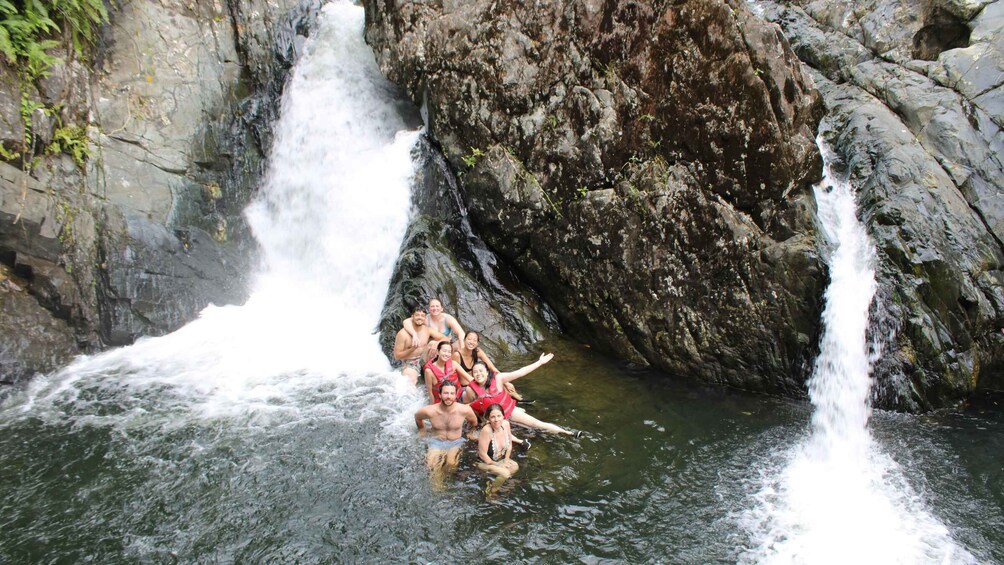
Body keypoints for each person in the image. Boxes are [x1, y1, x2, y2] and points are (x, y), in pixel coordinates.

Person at [463, 354, 577, 436]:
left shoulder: (498, 378)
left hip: (510, 412)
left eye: (481, 371)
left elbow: (520, 372)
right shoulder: (470, 389)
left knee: (535, 423)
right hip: (492, 419)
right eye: (475, 372)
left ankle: (568, 433)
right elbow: (468, 407)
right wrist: (479, 423)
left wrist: (539, 362)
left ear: (487, 372)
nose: (478, 374)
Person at [414, 380, 478, 489]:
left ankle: (446, 483)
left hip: (455, 441)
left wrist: (471, 432)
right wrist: (422, 429)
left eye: (452, 393)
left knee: (451, 464)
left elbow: (474, 422)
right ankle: (437, 488)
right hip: (436, 441)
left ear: (456, 395)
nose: (449, 396)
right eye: (445, 393)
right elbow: (417, 416)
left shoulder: (464, 410)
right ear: (439, 394)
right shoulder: (430, 411)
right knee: (430, 466)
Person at [454, 330, 523, 401]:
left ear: (477, 343)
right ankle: (509, 399)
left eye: (474, 340)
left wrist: (506, 382)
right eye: (469, 339)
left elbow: (492, 367)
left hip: (478, 382)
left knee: (496, 378)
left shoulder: (477, 351)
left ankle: (515, 397)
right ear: (464, 340)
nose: (471, 342)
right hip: (467, 388)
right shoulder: (457, 355)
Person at [393, 306, 447, 385]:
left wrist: (436, 344)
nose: (420, 318)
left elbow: (445, 338)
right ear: (412, 317)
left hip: (424, 358)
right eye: (417, 315)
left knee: (434, 343)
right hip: (410, 362)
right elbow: (397, 356)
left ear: (425, 318)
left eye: (422, 316)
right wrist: (412, 349)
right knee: (410, 381)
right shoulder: (403, 334)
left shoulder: (427, 330)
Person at [476, 403, 519, 496]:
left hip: (500, 459)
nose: (496, 419)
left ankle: (493, 483)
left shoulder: (506, 424)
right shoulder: (486, 430)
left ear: (503, 416)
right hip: (484, 462)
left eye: (499, 416)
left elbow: (510, 445)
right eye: (493, 417)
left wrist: (507, 459)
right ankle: (491, 492)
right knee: (505, 473)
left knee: (515, 466)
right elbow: (482, 455)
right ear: (488, 419)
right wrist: (498, 464)